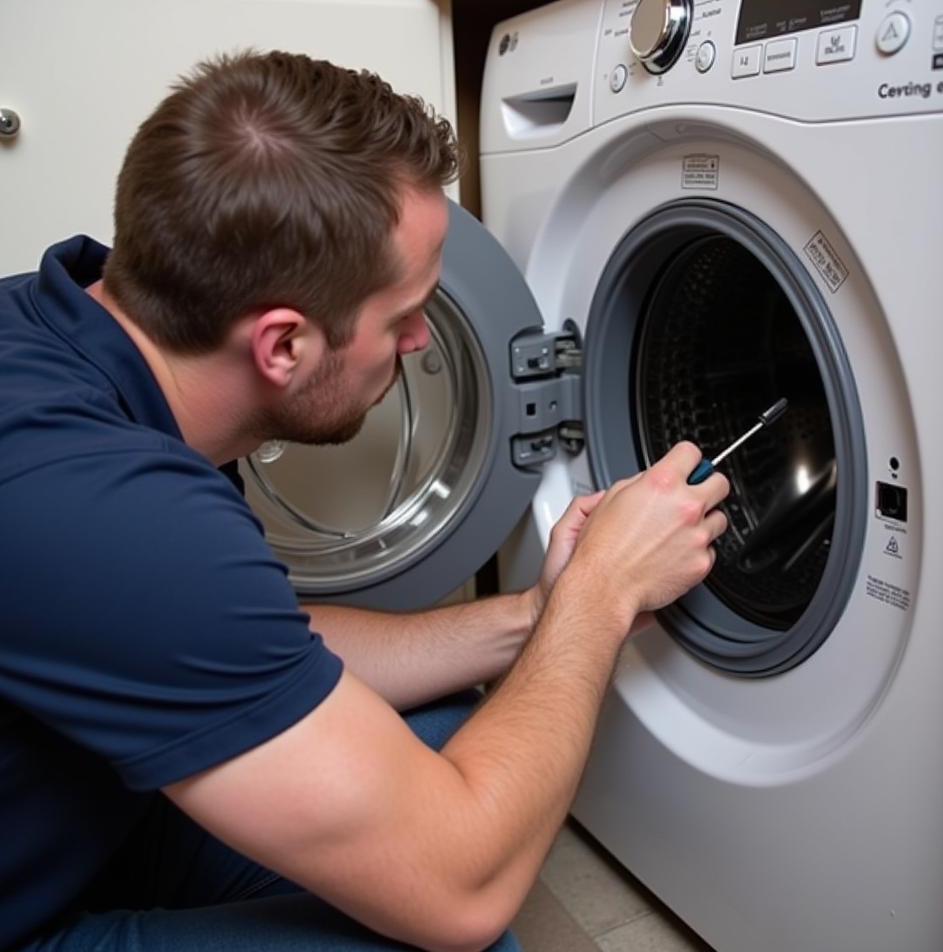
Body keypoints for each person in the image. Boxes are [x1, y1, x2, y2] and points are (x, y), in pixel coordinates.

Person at [0, 50, 730, 952]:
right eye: (404, 315)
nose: (425, 339)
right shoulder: (111, 514)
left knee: (449, 736)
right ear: (284, 346)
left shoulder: (73, 335)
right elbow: (462, 893)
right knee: (449, 909)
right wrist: (602, 595)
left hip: (79, 810)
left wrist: (542, 611)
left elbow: (245, 642)